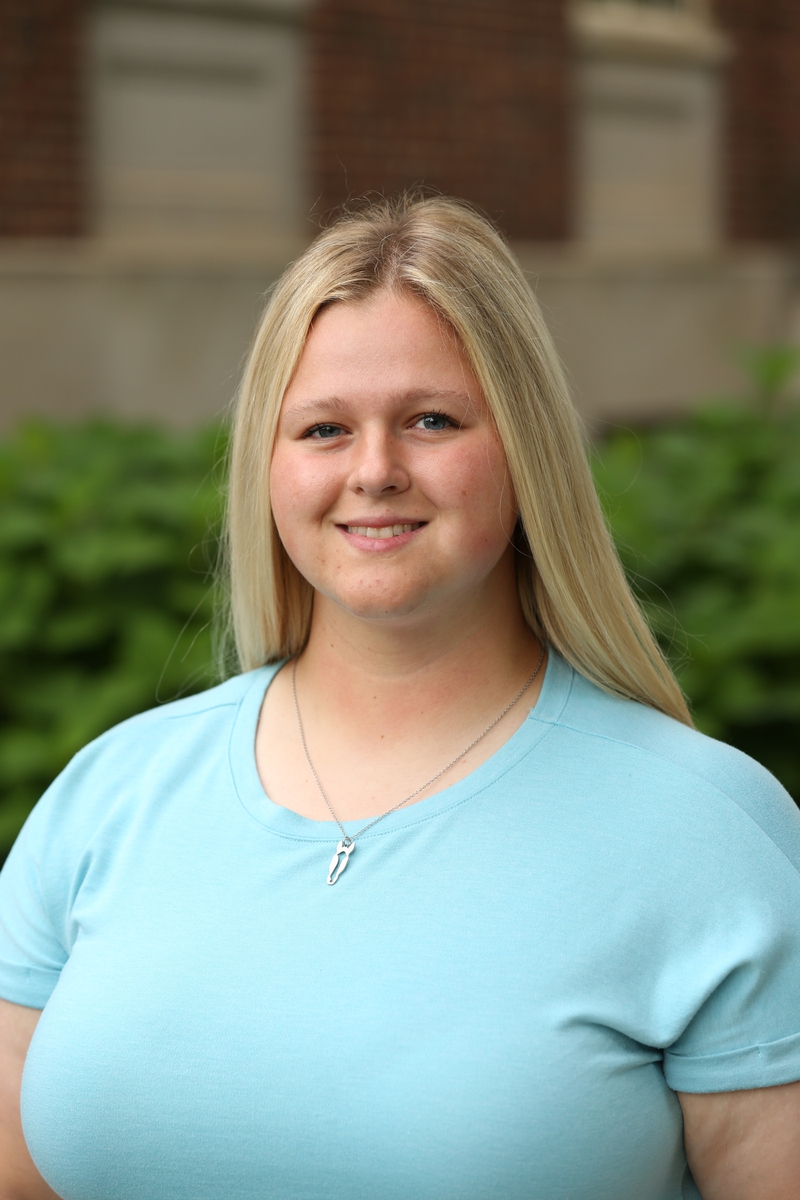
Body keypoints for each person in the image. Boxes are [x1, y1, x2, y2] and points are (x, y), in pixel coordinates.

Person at [1, 194, 800, 1200]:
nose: (374, 471)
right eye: (324, 429)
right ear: (268, 467)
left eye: (430, 421)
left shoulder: (704, 828)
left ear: (525, 449)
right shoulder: (109, 797)